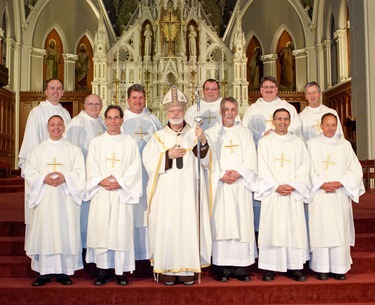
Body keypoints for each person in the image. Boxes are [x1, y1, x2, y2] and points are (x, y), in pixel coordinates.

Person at [143, 85, 212, 286]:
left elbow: (206, 161)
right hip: (166, 194)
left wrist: (203, 140)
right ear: (166, 113)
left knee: (188, 226)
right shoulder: (158, 137)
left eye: (179, 111)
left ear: (184, 112)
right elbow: (148, 162)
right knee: (168, 226)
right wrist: (167, 155)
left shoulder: (194, 133)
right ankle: (166, 270)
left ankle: (188, 270)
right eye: (172, 111)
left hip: (189, 193)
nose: (175, 113)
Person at [23, 115, 85, 286]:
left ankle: (63, 272)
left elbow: (81, 174)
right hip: (45, 199)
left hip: (66, 200)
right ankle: (44, 272)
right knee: (46, 232)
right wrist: (43, 178)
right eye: (52, 124)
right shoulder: (38, 150)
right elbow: (29, 173)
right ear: (47, 127)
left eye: (59, 124)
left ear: (64, 127)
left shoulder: (74, 150)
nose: (56, 127)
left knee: (64, 232)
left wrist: (66, 177)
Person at [83, 105, 142, 286]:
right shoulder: (96, 143)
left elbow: (135, 168)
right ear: (105, 120)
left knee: (120, 232)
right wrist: (101, 181)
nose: (113, 121)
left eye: (117, 117)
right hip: (101, 193)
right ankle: (102, 271)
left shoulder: (129, 142)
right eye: (110, 117)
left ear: (122, 120)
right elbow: (90, 166)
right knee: (102, 231)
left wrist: (120, 183)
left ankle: (121, 272)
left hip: (120, 195)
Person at [204, 97, 258, 282]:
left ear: (237, 111)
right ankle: (221, 266)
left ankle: (241, 267)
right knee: (221, 224)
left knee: (241, 222)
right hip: (220, 186)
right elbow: (206, 159)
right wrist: (220, 174)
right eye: (226, 109)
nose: (229, 112)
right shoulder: (211, 134)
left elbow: (251, 156)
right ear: (220, 111)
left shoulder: (245, 133)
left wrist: (239, 173)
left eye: (233, 109)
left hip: (240, 185)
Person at [306, 113, 365, 280]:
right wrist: (320, 183)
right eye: (327, 125)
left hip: (339, 195)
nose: (330, 128)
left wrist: (340, 183)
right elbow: (307, 169)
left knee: (339, 230)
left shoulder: (345, 145)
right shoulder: (312, 144)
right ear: (321, 126)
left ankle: (339, 268)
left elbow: (355, 170)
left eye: (333, 125)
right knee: (321, 230)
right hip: (320, 195)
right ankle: (321, 268)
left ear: (337, 125)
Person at [256, 108, 310, 282]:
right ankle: (270, 268)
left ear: (289, 121)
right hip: (273, 194)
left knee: (293, 230)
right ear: (273, 121)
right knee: (272, 229)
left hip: (292, 194)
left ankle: (294, 267)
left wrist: (294, 185)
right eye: (279, 119)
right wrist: (275, 186)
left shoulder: (298, 142)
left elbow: (305, 166)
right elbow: (261, 166)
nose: (282, 122)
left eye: (286, 119)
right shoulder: (265, 142)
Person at [242, 75, 302, 232]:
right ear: (261, 90)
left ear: (277, 89)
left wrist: (279, 134)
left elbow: (296, 126)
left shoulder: (287, 107)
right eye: (266, 88)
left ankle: (289, 230)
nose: (269, 90)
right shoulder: (252, 109)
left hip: (285, 156)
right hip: (262, 155)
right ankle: (261, 230)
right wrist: (263, 135)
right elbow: (245, 131)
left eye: (272, 87)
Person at [19, 78, 71, 240]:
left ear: (62, 92)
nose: (55, 91)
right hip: (42, 171)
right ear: (46, 92)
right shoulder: (37, 112)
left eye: (59, 89)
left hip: (61, 171)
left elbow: (67, 144)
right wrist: (40, 174)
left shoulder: (65, 113)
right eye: (52, 88)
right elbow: (31, 143)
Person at [121, 84, 161, 261]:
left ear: (145, 99)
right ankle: (129, 253)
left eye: (141, 98)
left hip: (148, 173)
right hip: (128, 175)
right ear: (128, 100)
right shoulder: (121, 120)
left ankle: (147, 252)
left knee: (147, 211)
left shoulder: (153, 120)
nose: (138, 101)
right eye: (134, 98)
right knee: (130, 212)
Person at [65, 94, 106, 252]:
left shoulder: (103, 124)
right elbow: (70, 152)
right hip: (83, 177)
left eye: (97, 104)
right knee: (82, 215)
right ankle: (81, 246)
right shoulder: (76, 123)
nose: (94, 107)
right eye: (91, 104)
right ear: (84, 105)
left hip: (98, 178)